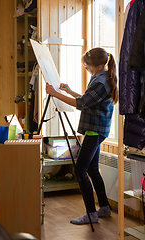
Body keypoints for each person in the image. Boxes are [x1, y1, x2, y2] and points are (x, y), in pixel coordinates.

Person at [46, 47, 118, 224]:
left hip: (95, 130)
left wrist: (55, 93)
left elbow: (83, 103)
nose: (86, 69)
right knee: (92, 169)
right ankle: (104, 208)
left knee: (80, 170)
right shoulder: (100, 77)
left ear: (100, 66)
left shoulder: (101, 82)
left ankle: (92, 214)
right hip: (97, 129)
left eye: (88, 66)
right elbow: (88, 99)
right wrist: (69, 91)